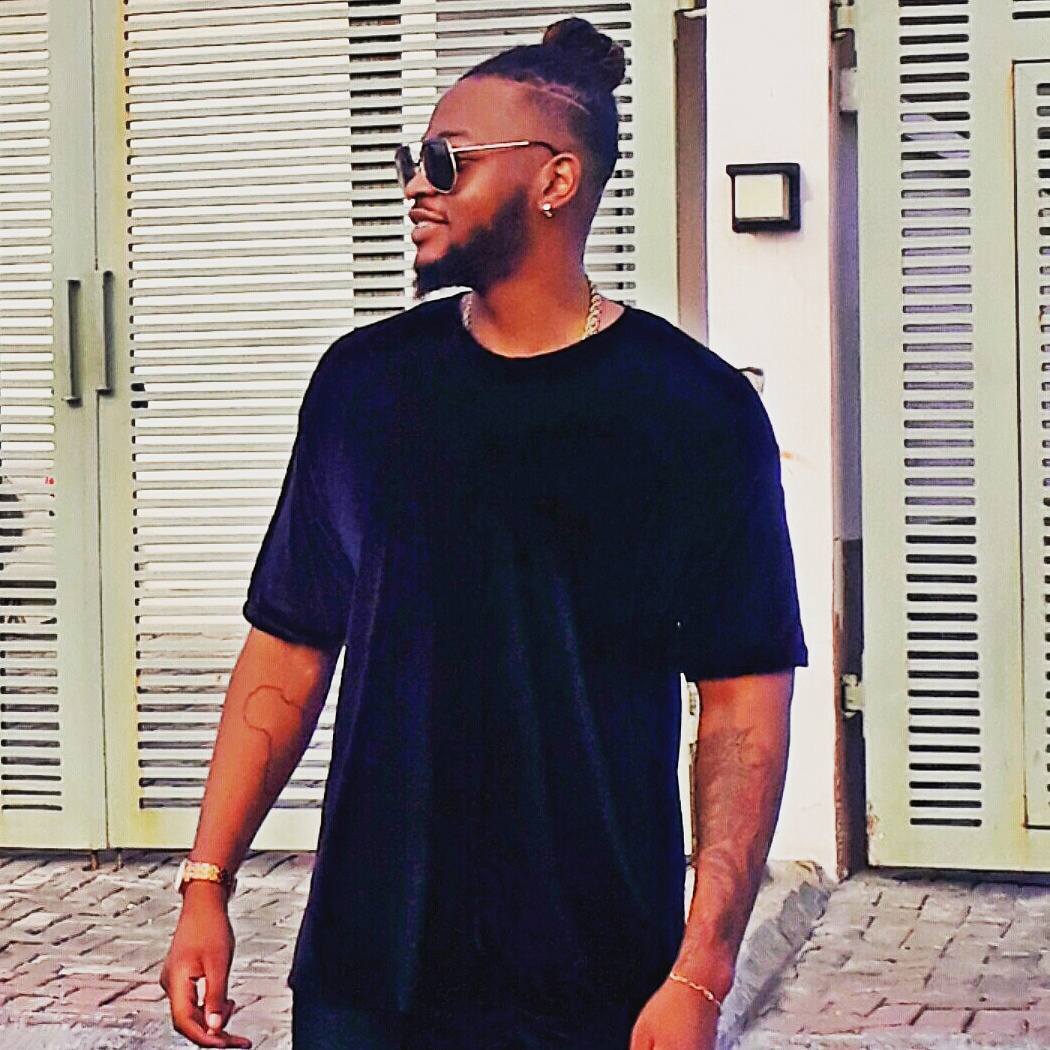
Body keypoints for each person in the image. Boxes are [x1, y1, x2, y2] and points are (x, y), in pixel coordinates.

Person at [158, 16, 809, 1050]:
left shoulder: (693, 411)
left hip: (590, 978)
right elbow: (288, 644)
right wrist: (207, 883)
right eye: (410, 162)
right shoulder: (365, 385)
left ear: (555, 180)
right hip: (367, 974)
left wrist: (701, 970)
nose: (416, 187)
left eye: (445, 161)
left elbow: (743, 705)